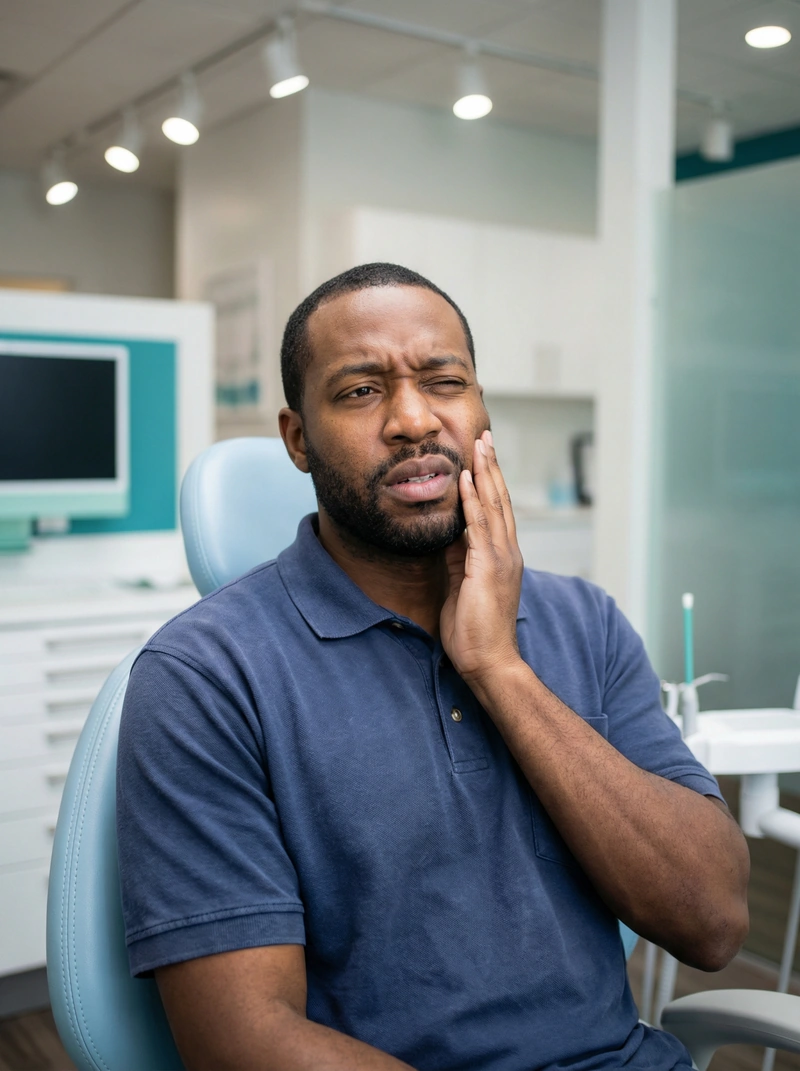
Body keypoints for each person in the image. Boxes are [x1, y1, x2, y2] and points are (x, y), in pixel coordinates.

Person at [117, 262, 749, 1071]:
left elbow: (714, 921)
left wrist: (500, 669)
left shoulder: (583, 622)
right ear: (298, 439)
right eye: (360, 391)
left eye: (444, 381)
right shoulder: (204, 675)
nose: (414, 419)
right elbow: (241, 1040)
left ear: (481, 408)